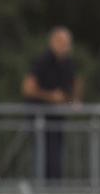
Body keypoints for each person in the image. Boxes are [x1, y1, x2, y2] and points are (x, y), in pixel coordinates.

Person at [22, 26, 84, 180]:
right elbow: (28, 88)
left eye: (68, 43)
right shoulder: (43, 61)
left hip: (57, 120)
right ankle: (41, 189)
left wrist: (74, 101)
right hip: (39, 119)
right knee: (42, 158)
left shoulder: (68, 63)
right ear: (53, 42)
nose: (66, 47)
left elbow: (76, 83)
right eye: (62, 43)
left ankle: (55, 191)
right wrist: (50, 96)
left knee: (56, 159)